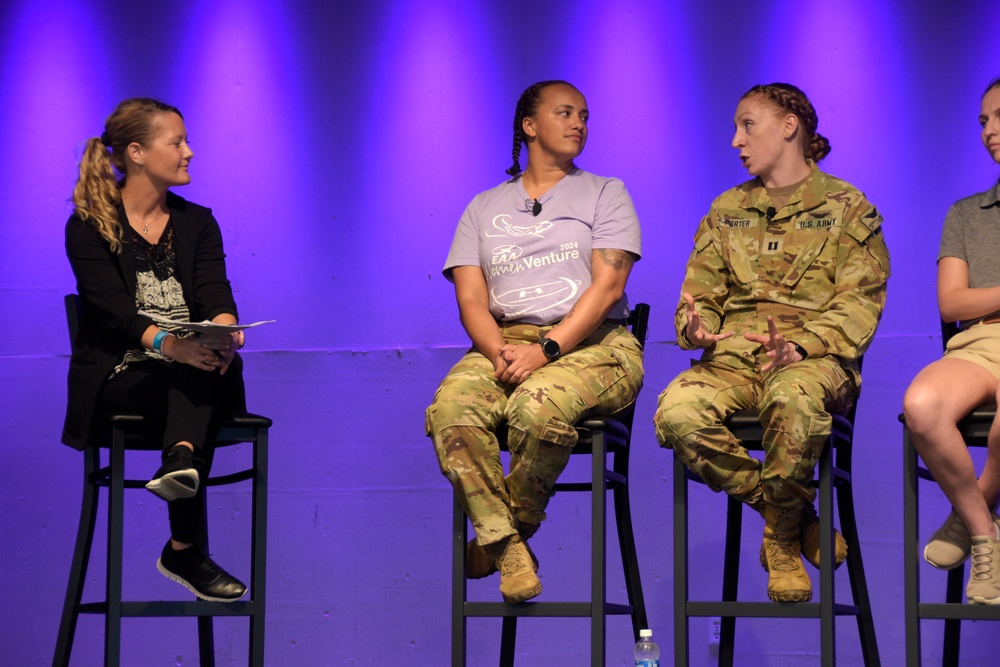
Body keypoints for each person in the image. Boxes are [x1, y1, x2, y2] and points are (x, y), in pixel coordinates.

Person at [653, 83, 890, 603]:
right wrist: (694, 327)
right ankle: (789, 516)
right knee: (675, 412)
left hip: (814, 362)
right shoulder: (727, 208)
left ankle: (779, 544)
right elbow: (700, 294)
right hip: (732, 362)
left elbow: (860, 303)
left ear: (789, 127)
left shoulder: (848, 207)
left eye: (747, 125)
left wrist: (802, 348)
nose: (736, 140)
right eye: (736, 128)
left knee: (794, 398)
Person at [425, 80, 644, 604]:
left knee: (536, 406)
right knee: (452, 410)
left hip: (593, 344)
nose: (579, 124)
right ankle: (509, 548)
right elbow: (472, 300)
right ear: (529, 126)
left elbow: (609, 284)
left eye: (585, 116)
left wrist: (547, 350)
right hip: (504, 341)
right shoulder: (483, 207)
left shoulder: (604, 193)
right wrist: (500, 350)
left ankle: (505, 532)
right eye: (565, 113)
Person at [63, 98, 248, 601]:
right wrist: (174, 346)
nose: (189, 151)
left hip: (192, 373)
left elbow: (216, 294)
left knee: (207, 362)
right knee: (188, 367)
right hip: (123, 376)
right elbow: (116, 315)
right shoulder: (89, 225)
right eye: (178, 142)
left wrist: (225, 330)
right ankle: (184, 546)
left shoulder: (198, 222)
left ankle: (178, 463)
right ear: (138, 152)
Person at [902, 77, 1000, 604]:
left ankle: (972, 527)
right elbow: (953, 304)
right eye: (983, 120)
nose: (990, 130)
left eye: (999, 116)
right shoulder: (966, 213)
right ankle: (987, 529)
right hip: (980, 346)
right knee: (921, 403)